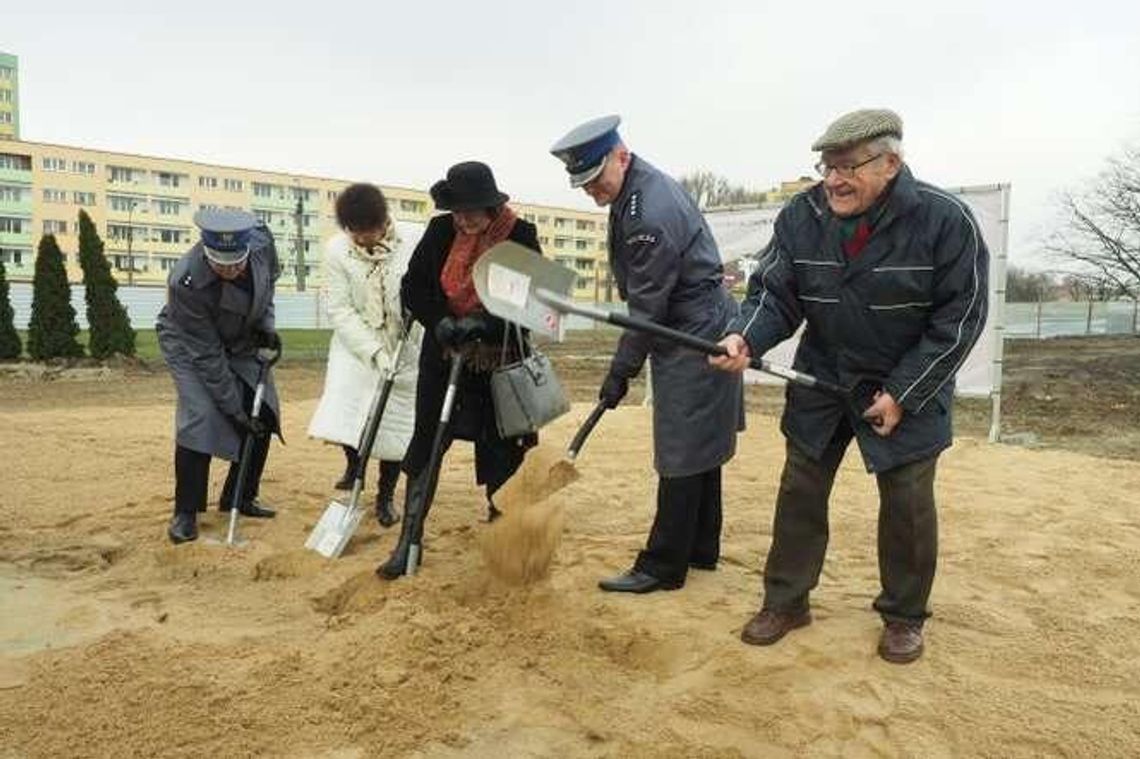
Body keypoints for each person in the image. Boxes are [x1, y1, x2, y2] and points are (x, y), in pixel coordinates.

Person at [710, 108, 989, 663]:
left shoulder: (945, 220)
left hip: (906, 379)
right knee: (800, 489)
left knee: (907, 501)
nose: (833, 179)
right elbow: (774, 292)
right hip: (823, 374)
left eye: (847, 166)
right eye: (826, 165)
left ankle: (904, 615)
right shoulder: (801, 214)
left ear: (890, 162)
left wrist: (905, 393)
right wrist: (745, 338)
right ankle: (787, 600)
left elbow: (960, 319)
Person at [550, 115, 744, 594]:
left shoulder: (648, 211)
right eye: (583, 183)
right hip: (695, 321)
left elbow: (647, 309)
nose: (591, 191)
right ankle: (700, 547)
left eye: (596, 179)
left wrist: (620, 372)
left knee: (680, 447)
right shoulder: (637, 188)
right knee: (699, 442)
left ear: (621, 154)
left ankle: (662, 565)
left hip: (691, 329)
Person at [377, 161, 543, 579]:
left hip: (498, 362)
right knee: (426, 445)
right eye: (459, 211)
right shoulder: (439, 231)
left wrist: (486, 324)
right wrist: (441, 320)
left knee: (505, 454)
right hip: (445, 355)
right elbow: (414, 286)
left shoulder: (520, 236)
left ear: (491, 206)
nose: (465, 219)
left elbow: (533, 302)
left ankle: (503, 539)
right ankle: (408, 541)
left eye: (474, 211)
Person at [156, 208, 282, 544]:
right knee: (202, 416)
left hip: (242, 331)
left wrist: (266, 330)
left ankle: (239, 498)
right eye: (221, 263)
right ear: (205, 250)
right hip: (190, 342)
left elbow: (268, 287)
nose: (231, 269)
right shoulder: (184, 281)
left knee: (263, 412)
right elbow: (208, 357)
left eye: (237, 262)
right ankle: (185, 512)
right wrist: (234, 411)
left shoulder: (262, 243)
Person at [307, 183, 423, 527]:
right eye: (354, 233)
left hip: (404, 343)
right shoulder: (337, 251)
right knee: (349, 415)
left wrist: (409, 329)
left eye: (368, 231)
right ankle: (355, 465)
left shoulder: (415, 239)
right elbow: (340, 309)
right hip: (356, 344)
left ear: (384, 219)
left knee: (393, 425)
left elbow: (427, 287)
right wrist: (372, 351)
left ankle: (385, 496)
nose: (363, 240)